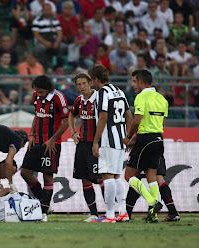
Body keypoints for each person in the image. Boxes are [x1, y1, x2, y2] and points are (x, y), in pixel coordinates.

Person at [20, 75, 69, 222]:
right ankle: (44, 201)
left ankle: (43, 212)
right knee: (25, 172)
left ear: (48, 89)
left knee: (47, 176)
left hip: (52, 144)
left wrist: (53, 139)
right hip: (37, 142)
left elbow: (66, 122)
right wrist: (32, 134)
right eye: (36, 91)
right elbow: (37, 115)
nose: (38, 94)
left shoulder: (59, 98)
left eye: (41, 92)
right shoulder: (36, 96)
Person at [123, 69, 169, 223]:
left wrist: (129, 137)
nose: (133, 84)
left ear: (142, 82)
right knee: (151, 176)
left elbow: (137, 120)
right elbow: (162, 124)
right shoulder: (162, 99)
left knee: (128, 176)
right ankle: (153, 215)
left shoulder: (141, 97)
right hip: (158, 140)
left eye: (134, 81)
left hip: (145, 140)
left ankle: (152, 202)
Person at [90, 64, 133, 223]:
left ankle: (109, 215)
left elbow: (102, 117)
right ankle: (122, 213)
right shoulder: (119, 91)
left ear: (95, 79)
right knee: (116, 176)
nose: (90, 84)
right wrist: (128, 136)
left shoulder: (102, 93)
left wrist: (96, 141)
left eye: (91, 80)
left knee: (107, 175)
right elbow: (129, 116)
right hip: (121, 138)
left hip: (108, 139)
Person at [69, 73, 101, 222]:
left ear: (90, 83)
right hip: (82, 145)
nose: (81, 87)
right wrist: (74, 132)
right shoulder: (78, 101)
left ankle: (112, 212)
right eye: (78, 84)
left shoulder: (99, 99)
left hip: (96, 144)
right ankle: (94, 214)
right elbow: (71, 115)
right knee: (84, 179)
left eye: (83, 83)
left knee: (101, 178)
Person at [126, 155, 180, 222]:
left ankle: (127, 214)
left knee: (132, 177)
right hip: (157, 150)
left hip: (143, 151)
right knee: (159, 179)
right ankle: (173, 213)